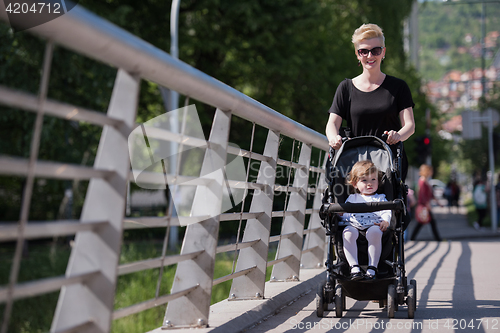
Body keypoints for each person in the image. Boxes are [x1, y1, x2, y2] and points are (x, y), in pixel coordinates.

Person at [325, 23, 415, 181]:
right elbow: (332, 123)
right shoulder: (346, 88)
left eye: (376, 50)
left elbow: (410, 125)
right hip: (354, 166)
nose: (370, 56)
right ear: (357, 54)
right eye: (363, 51)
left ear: (383, 52)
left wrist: (398, 135)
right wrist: (334, 138)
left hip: (388, 165)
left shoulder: (398, 87)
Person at [341, 160, 391, 280]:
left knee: (375, 232)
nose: (370, 184)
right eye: (364, 180)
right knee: (347, 233)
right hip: (354, 225)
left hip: (374, 224)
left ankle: (372, 267)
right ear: (354, 184)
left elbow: (386, 211)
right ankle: (354, 267)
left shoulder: (380, 198)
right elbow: (347, 216)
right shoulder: (352, 198)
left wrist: (385, 221)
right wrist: (340, 213)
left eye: (373, 180)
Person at [410, 164, 442, 241]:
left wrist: (438, 203)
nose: (432, 172)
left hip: (425, 206)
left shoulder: (425, 181)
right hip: (424, 206)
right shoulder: (422, 182)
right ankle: (438, 239)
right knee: (425, 223)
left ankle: (412, 238)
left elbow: (431, 195)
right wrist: (428, 205)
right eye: (430, 170)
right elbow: (422, 195)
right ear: (427, 171)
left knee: (423, 223)